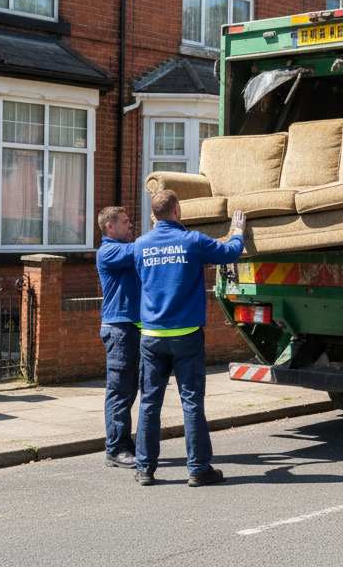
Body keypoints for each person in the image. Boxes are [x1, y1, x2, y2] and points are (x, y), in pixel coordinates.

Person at [132, 190, 246, 487]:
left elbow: (142, 280)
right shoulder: (192, 241)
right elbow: (229, 253)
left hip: (152, 336)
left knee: (149, 404)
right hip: (186, 336)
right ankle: (198, 469)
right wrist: (238, 231)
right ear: (178, 211)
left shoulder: (140, 245)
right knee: (192, 403)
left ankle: (145, 469)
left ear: (154, 214)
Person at [96, 206, 140, 468]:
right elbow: (137, 250)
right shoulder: (109, 251)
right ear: (110, 227)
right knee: (119, 392)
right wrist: (162, 233)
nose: (131, 225)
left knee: (130, 390)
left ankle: (123, 441)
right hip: (119, 328)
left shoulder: (126, 250)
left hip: (133, 327)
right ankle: (115, 448)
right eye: (125, 222)